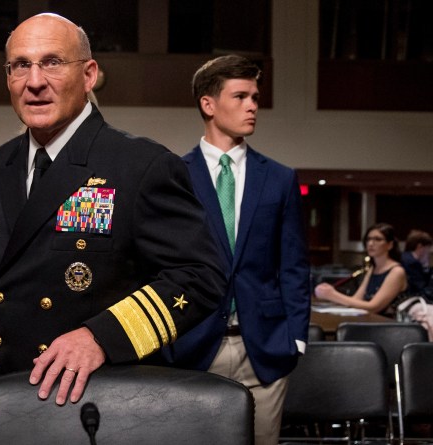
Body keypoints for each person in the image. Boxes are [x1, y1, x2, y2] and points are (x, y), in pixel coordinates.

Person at [0, 13, 226, 445]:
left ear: (89, 74)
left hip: (100, 407)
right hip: (7, 402)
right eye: (20, 65)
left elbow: (200, 278)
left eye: (53, 62)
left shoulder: (140, 165)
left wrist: (101, 336)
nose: (34, 81)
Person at [162, 55, 311, 445]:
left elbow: (293, 264)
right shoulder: (174, 176)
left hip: (265, 347)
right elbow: (161, 264)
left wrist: (295, 337)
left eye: (256, 97)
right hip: (193, 345)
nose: (252, 106)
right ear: (208, 105)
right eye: (241, 96)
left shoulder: (279, 178)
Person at [315, 223, 408, 315]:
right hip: (369, 321)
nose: (371, 244)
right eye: (368, 239)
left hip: (389, 325)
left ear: (390, 245)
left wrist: (333, 295)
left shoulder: (396, 271)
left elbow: (374, 307)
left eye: (378, 239)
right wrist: (329, 294)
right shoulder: (373, 268)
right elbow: (356, 300)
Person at [400, 229, 432, 299]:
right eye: (428, 248)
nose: (429, 252)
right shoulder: (412, 263)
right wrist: (426, 266)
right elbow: (421, 287)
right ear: (420, 246)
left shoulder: (404, 257)